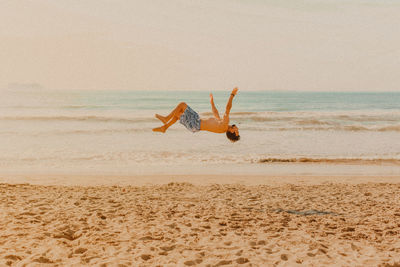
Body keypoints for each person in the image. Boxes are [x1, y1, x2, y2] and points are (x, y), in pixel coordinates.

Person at [153, 88, 240, 142]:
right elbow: (215, 114)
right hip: (196, 122)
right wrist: (211, 102)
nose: (237, 129)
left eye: (236, 131)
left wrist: (232, 95)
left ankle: (166, 119)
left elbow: (227, 109)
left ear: (231, 131)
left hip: (195, 124)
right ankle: (165, 127)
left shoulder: (224, 125)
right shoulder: (222, 125)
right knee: (178, 114)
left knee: (182, 105)